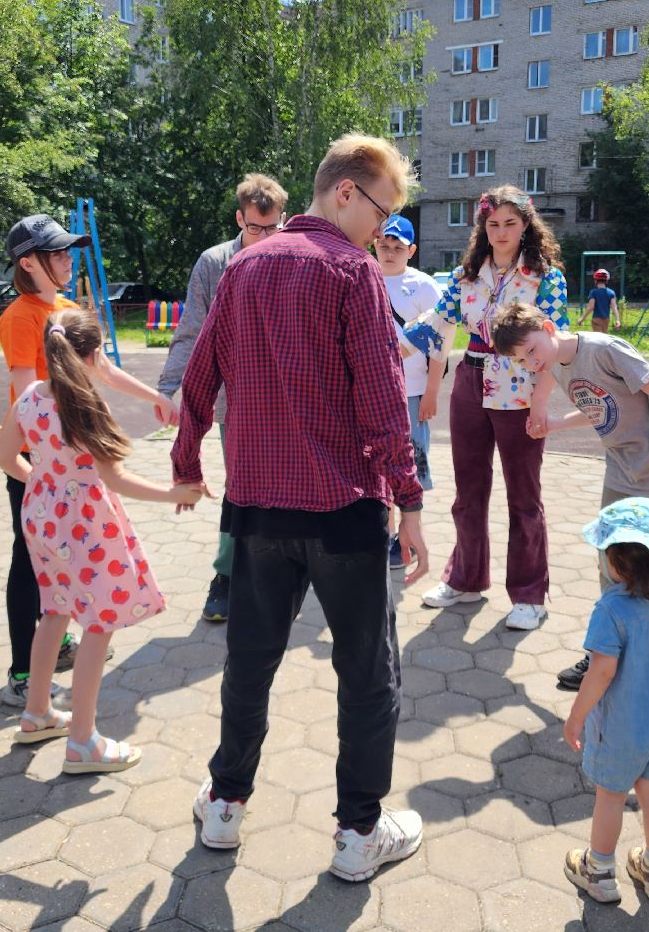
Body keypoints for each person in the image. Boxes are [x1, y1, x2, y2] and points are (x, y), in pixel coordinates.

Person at [171, 133, 430, 883]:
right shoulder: (351, 271)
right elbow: (384, 402)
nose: (380, 236)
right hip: (345, 510)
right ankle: (359, 833)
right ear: (345, 193)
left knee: (248, 662)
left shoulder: (243, 265)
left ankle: (225, 803)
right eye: (382, 216)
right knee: (368, 674)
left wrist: (188, 461)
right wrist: (409, 503)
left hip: (256, 512)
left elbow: (199, 373)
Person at [490, 301, 649, 704]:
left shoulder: (605, 350)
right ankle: (607, 652)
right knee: (610, 563)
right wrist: (550, 421)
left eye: (531, 351)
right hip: (622, 473)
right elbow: (598, 408)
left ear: (549, 327)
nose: (530, 362)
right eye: (521, 360)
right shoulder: (554, 364)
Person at [0, 309, 205, 772]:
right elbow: (117, 479)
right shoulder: (85, 406)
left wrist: (46, 484)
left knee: (54, 610)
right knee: (97, 622)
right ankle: (83, 742)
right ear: (92, 357)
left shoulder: (29, 396)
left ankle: (36, 713)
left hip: (41, 518)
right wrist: (175, 493)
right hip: (87, 525)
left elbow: (5, 456)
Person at [0, 213, 177, 709]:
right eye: (56, 253)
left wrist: (155, 399)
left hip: (69, 465)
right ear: (28, 262)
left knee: (62, 567)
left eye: (67, 250)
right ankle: (20, 670)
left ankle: (54, 649)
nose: (67, 259)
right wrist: (42, 474)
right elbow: (22, 392)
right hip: (41, 462)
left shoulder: (66, 308)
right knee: (29, 565)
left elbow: (101, 366)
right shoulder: (20, 317)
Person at [415, 185, 569, 630]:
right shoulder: (466, 275)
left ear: (526, 227)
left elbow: (554, 344)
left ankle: (529, 595)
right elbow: (437, 322)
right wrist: (394, 346)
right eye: (492, 223)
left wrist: (541, 402)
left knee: (524, 497)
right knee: (468, 491)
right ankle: (464, 580)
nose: (500, 232)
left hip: (519, 387)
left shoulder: (545, 277)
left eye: (510, 223)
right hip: (470, 381)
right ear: (483, 226)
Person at [158, 173, 288, 621]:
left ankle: (280, 576)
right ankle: (228, 576)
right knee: (242, 488)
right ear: (239, 218)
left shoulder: (292, 257)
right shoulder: (214, 263)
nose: (265, 238)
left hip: (289, 400)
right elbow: (192, 330)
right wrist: (167, 389)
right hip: (236, 403)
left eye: (273, 228)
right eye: (256, 228)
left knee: (285, 489)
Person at [562, 499, 649, 905]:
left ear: (615, 562)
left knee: (611, 795)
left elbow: (601, 671)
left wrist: (576, 715)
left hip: (620, 726)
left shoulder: (611, 609)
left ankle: (598, 871)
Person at [375, 213, 441, 568]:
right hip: (374, 392)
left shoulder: (425, 287)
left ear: (411, 250)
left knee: (412, 464)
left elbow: (441, 343)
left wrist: (432, 391)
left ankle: (407, 538)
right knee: (379, 467)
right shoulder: (363, 275)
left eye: (397, 247)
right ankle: (383, 535)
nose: (389, 252)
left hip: (413, 393)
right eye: (383, 245)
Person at [578, 268, 620, 333]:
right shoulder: (611, 293)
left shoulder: (593, 292)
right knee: (604, 337)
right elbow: (614, 307)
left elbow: (591, 307)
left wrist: (582, 319)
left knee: (598, 339)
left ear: (595, 280)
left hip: (596, 319)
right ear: (606, 280)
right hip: (606, 319)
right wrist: (617, 320)